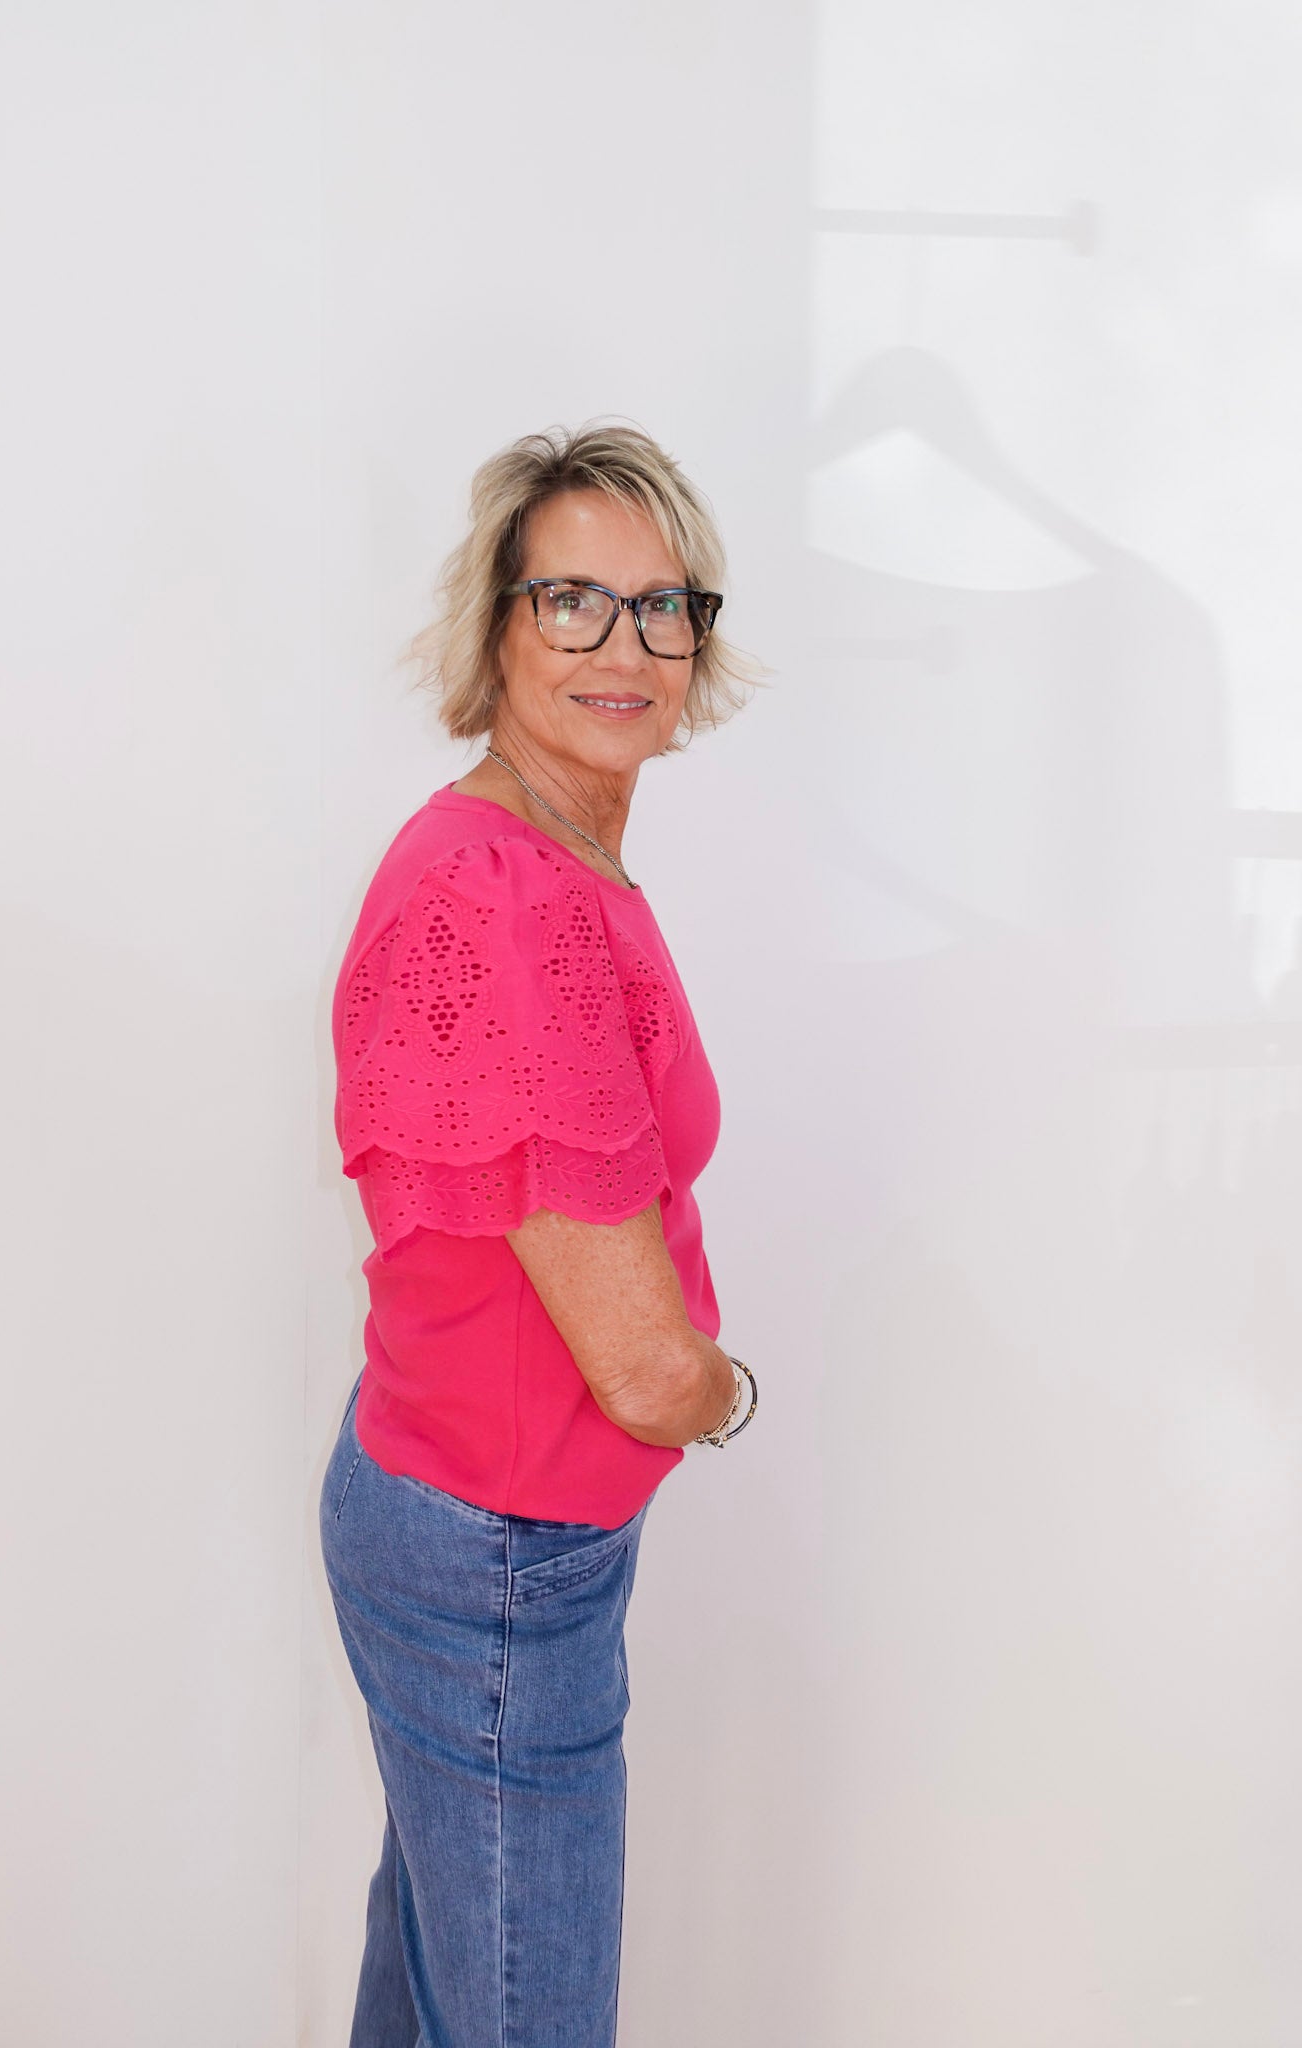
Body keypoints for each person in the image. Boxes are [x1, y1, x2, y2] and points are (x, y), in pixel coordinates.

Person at [320, 420, 761, 2047]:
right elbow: (643, 1371)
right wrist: (730, 1391)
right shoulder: (505, 901)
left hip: (469, 1516)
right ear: (496, 625)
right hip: (496, 1558)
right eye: (572, 600)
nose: (624, 647)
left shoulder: (545, 854)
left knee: (446, 1982)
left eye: (664, 607)